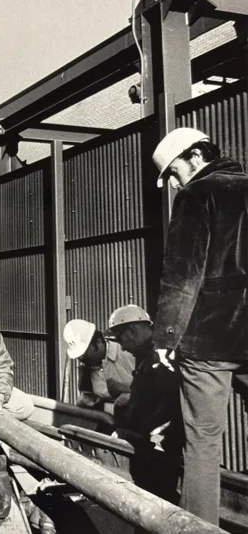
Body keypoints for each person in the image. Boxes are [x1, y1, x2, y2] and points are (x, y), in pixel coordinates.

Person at [150, 127, 248, 523]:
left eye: (173, 172)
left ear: (195, 156)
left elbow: (183, 272)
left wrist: (167, 336)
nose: (173, 184)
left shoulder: (197, 195)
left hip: (209, 341)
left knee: (203, 443)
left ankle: (199, 530)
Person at [106, 304, 182, 503]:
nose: (121, 347)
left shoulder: (160, 356)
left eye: (120, 338)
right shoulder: (150, 355)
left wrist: (138, 436)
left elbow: (169, 408)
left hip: (160, 451)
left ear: (132, 331)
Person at [63, 319, 135, 415]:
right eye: (78, 355)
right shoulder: (88, 366)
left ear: (98, 342)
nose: (80, 358)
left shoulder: (128, 354)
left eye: (84, 352)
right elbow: (88, 398)